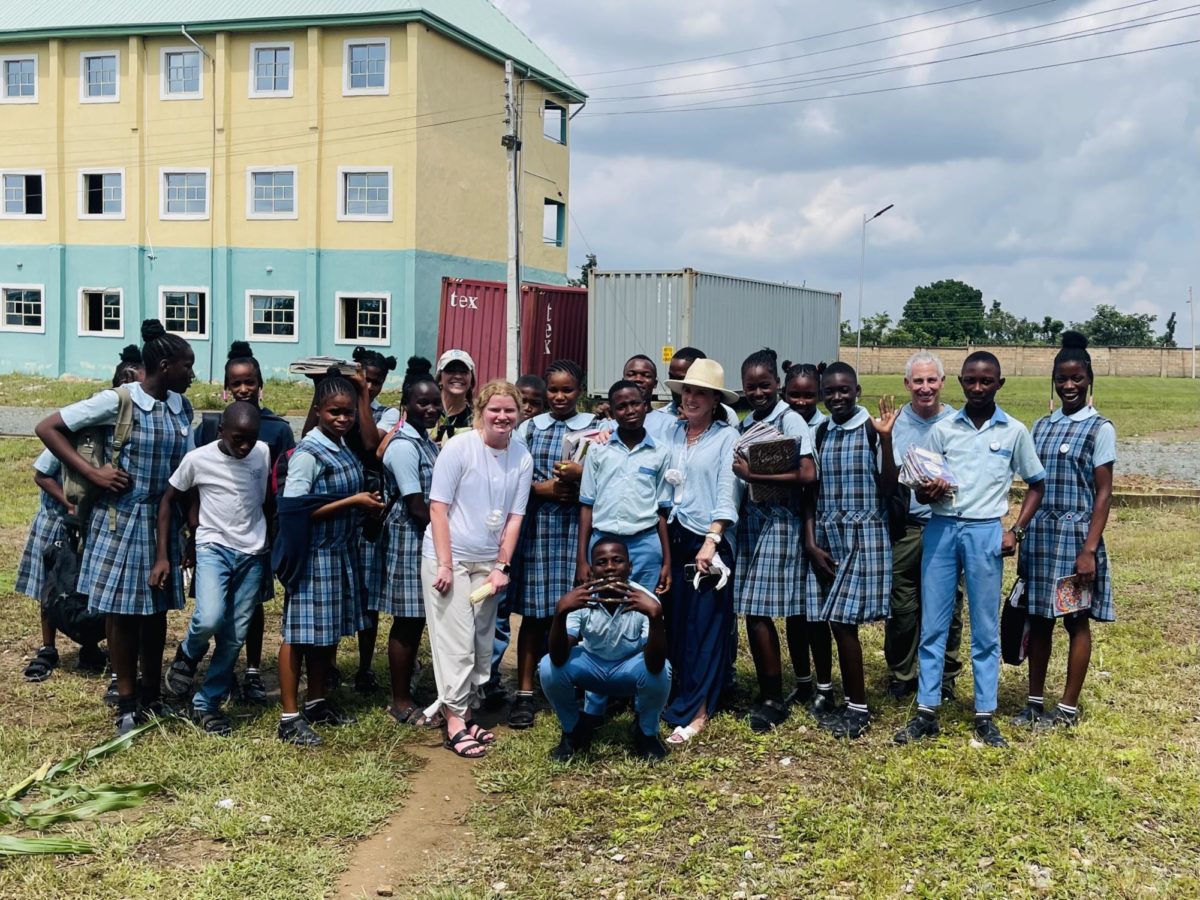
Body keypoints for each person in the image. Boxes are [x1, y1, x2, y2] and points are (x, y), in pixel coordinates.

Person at [35, 320, 196, 734]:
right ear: (164, 365)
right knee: (123, 615)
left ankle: (151, 695)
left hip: (163, 521)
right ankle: (126, 703)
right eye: (186, 367)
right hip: (120, 521)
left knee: (156, 612)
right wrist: (95, 473)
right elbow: (48, 428)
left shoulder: (182, 408)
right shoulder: (120, 400)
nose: (192, 376)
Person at [895, 352, 1046, 749]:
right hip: (942, 530)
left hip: (985, 533)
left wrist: (1016, 529)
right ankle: (927, 710)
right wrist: (926, 490)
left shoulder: (1013, 431)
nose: (978, 388)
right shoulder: (944, 430)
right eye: (971, 382)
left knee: (983, 628)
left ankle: (984, 714)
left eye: (987, 381)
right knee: (934, 624)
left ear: (1000, 384)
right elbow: (923, 480)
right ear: (960, 383)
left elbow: (1036, 483)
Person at [19, 344, 142, 685]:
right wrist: (69, 503)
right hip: (60, 516)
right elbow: (42, 474)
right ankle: (47, 649)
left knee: (91, 588)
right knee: (53, 583)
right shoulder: (83, 423)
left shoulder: (128, 430)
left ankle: (90, 645)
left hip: (96, 522)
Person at [421, 380, 532, 758]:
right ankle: (453, 721)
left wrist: (502, 565)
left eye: (509, 410)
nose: (502, 417)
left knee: (481, 643)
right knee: (456, 642)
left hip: (488, 562)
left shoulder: (521, 456)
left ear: (520, 413)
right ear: (480, 411)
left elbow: (515, 518)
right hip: (448, 558)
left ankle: (467, 712)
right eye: (494, 410)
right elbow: (438, 507)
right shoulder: (458, 448)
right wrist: (446, 564)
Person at [274, 373, 385, 746]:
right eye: (335, 412)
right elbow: (293, 510)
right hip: (313, 555)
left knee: (326, 634)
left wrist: (365, 509)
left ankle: (317, 701)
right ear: (318, 411)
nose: (343, 419)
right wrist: (353, 503)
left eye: (349, 413)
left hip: (341, 551)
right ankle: (289, 718)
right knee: (299, 634)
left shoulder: (342, 446)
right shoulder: (308, 453)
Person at [1015, 332, 1115, 731]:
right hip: (1041, 537)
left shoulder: (1099, 428)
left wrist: (1089, 549)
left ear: (1089, 378)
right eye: (1062, 378)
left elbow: (1104, 493)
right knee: (1039, 619)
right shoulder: (1041, 426)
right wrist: (1018, 531)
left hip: (1075, 539)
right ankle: (1034, 703)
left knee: (1075, 619)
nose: (1069, 386)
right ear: (1053, 380)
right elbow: (1031, 485)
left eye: (1076, 378)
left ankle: (1068, 709)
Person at [155, 402, 271, 735]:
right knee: (209, 616)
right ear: (221, 432)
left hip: (253, 552)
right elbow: (170, 498)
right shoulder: (198, 459)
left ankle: (207, 701)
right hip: (213, 548)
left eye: (251, 438)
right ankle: (188, 654)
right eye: (238, 439)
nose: (245, 446)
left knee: (235, 636)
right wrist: (173, 547)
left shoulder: (261, 453)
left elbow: (263, 501)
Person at [195, 340, 295, 704]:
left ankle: (252, 669)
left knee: (251, 607)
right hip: (216, 537)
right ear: (225, 388)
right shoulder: (210, 428)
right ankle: (222, 670)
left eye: (249, 382)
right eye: (235, 383)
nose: (242, 389)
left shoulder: (277, 430)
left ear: (260, 383)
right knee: (216, 608)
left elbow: (282, 488)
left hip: (258, 535)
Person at [804, 362, 899, 739]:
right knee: (832, 620)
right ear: (823, 394)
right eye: (830, 391)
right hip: (828, 536)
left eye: (845, 390)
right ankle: (845, 699)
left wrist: (888, 440)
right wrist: (811, 542)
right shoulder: (821, 431)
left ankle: (858, 709)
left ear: (857, 391)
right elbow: (810, 492)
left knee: (844, 622)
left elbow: (890, 487)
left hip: (865, 534)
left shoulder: (872, 430)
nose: (838, 397)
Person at [508, 360, 596, 730]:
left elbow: (604, 474)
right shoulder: (528, 428)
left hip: (578, 530)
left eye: (568, 390)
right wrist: (539, 489)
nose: (559, 397)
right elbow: (509, 477)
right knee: (535, 613)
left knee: (575, 613)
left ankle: (569, 684)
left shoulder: (595, 428)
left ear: (580, 391)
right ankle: (525, 692)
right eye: (553, 390)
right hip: (538, 529)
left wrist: (580, 481)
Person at [732, 349, 816, 732]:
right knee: (757, 607)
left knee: (759, 608)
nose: (758, 391)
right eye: (751, 386)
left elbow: (807, 474)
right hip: (752, 519)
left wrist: (755, 477)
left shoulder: (792, 420)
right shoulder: (749, 421)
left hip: (781, 521)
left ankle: (773, 696)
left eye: (765, 385)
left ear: (777, 385)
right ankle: (780, 688)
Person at [660, 358, 739, 744]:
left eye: (700, 393)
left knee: (704, 627)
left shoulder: (726, 438)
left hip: (706, 540)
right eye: (687, 391)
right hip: (670, 536)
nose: (691, 399)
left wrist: (713, 539)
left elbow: (727, 490)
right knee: (674, 622)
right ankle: (675, 698)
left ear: (714, 401)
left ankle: (699, 711)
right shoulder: (671, 432)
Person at [539, 538, 670, 762]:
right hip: (592, 666)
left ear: (630, 567)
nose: (610, 567)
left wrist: (655, 617)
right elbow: (559, 657)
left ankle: (647, 733)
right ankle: (572, 730)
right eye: (602, 562)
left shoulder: (646, 600)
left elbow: (655, 664)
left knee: (662, 671)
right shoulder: (582, 597)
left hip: (629, 669)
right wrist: (560, 613)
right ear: (591, 570)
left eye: (617, 561)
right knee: (548, 666)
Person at [884, 352, 964, 701]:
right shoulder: (895, 422)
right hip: (907, 527)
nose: (925, 387)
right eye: (918, 381)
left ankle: (944, 677)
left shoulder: (959, 423)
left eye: (932, 380)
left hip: (946, 524)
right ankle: (903, 674)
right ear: (907, 384)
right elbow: (886, 476)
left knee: (948, 606)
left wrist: (948, 486)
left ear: (942, 383)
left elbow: (971, 475)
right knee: (902, 607)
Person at [372, 357, 442, 724]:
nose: (430, 408)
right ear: (406, 405)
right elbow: (416, 505)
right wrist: (448, 538)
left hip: (427, 536)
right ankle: (399, 700)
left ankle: (411, 685)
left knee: (419, 619)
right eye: (422, 403)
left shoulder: (426, 441)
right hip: (410, 539)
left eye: (435, 402)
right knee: (408, 619)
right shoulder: (403, 446)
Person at [484, 372, 547, 706]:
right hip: (483, 540)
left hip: (522, 539)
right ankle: (486, 679)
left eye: (534, 404)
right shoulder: (483, 441)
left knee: (510, 611)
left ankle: (501, 679)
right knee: (492, 614)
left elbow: (519, 506)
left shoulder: (522, 449)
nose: (529, 410)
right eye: (525, 403)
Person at [577, 380, 672, 591]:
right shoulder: (598, 449)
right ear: (611, 411)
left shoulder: (661, 452)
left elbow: (663, 510)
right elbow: (587, 504)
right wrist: (582, 559)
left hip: (645, 544)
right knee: (604, 607)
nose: (630, 410)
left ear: (645, 405)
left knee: (644, 609)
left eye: (635, 404)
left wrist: (666, 561)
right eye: (621, 406)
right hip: (604, 544)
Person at [779, 362, 835, 712]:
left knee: (817, 614)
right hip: (787, 526)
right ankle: (802, 682)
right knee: (793, 612)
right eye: (794, 394)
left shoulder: (827, 428)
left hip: (820, 527)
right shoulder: (781, 424)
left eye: (809, 395)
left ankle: (826, 687)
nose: (801, 401)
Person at [351, 346, 399, 696]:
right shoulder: (336, 402)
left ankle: (365, 667)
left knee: (367, 597)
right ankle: (333, 664)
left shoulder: (388, 412)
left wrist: (362, 398)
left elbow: (370, 443)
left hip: (369, 508)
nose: (369, 385)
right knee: (337, 591)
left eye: (375, 382)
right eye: (364, 379)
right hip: (337, 505)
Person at [646, 347, 739, 440]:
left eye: (700, 392)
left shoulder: (728, 425)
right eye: (687, 389)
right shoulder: (662, 416)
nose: (691, 398)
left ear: (716, 399)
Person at [434, 349, 476, 444]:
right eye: (450, 371)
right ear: (440, 378)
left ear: (472, 380)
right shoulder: (425, 413)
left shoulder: (477, 419)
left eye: (463, 372)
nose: (457, 376)